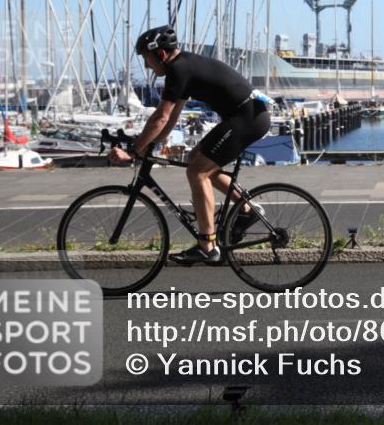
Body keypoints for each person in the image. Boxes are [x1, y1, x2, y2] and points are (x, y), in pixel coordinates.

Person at [109, 25, 270, 265]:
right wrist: (153, 142)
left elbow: (160, 117)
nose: (146, 66)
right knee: (198, 160)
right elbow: (172, 117)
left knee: (197, 171)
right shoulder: (183, 67)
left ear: (161, 54)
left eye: (147, 58)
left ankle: (207, 246)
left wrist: (134, 151)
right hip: (248, 115)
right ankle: (247, 210)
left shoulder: (179, 70)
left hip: (247, 118)